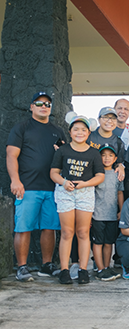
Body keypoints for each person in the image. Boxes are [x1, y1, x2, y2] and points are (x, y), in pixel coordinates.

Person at [6, 92, 66, 281]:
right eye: (39, 103)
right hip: (27, 186)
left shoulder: (58, 131)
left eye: (47, 104)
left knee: (50, 228)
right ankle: (22, 267)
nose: (44, 106)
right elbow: (11, 156)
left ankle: (46, 265)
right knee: (23, 228)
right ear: (32, 106)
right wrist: (15, 180)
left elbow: (66, 158)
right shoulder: (21, 128)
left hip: (52, 188)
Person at [50, 116, 105, 284]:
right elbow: (53, 173)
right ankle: (65, 270)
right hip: (65, 191)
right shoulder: (62, 150)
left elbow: (100, 176)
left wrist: (85, 184)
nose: (79, 132)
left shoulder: (94, 153)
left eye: (83, 130)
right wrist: (64, 182)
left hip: (85, 192)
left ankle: (83, 269)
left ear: (88, 133)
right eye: (76, 129)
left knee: (83, 232)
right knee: (67, 232)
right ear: (70, 132)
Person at [91, 144, 124, 281]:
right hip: (97, 215)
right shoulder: (95, 174)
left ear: (115, 158)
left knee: (108, 242)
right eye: (103, 155)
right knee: (98, 242)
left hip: (111, 215)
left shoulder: (117, 174)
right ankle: (100, 268)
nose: (106, 158)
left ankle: (106, 266)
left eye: (110, 155)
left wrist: (121, 210)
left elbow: (120, 192)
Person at [86, 107, 125, 181]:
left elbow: (118, 162)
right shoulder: (88, 136)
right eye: (105, 117)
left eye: (113, 118)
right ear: (99, 119)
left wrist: (120, 166)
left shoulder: (119, 142)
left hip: (106, 182)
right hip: (87, 179)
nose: (109, 121)